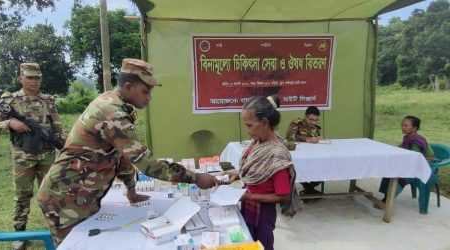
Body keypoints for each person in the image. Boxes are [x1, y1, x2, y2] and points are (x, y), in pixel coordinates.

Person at [37, 58, 218, 245]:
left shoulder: (118, 106)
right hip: (63, 199)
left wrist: (131, 190)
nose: (149, 98)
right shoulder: (112, 112)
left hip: (81, 195)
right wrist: (195, 178)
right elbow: (146, 164)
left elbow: (122, 155)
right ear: (129, 86)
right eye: (145, 92)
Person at [0, 63, 66, 250]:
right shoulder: (10, 100)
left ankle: (57, 231)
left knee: (51, 194)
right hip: (22, 156)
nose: (34, 81)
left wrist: (66, 145)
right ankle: (20, 235)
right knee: (22, 196)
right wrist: (10, 122)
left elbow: (57, 128)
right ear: (20, 78)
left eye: (37, 78)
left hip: (47, 155)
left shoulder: (48, 100)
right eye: (30, 77)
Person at [229, 95, 299, 250]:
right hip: (248, 206)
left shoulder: (276, 155)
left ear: (265, 123)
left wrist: (250, 196)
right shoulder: (257, 143)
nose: (247, 131)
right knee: (249, 243)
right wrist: (238, 173)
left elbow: (283, 195)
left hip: (263, 214)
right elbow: (254, 169)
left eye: (249, 125)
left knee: (262, 246)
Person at [378, 115, 434, 202]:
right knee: (389, 170)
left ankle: (389, 199)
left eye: (406, 125)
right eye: (402, 125)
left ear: (414, 128)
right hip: (413, 162)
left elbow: (414, 157)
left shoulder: (415, 141)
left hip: (423, 164)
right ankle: (387, 195)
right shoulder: (408, 137)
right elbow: (401, 148)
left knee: (399, 175)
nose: (403, 127)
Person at [286, 106, 324, 196]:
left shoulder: (316, 127)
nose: (313, 122)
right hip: (298, 155)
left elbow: (316, 140)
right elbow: (290, 137)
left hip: (313, 155)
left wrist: (318, 139)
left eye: (316, 120)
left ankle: (309, 190)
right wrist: (307, 139)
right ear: (305, 117)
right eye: (311, 120)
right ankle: (310, 190)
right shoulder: (296, 123)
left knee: (322, 168)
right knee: (299, 170)